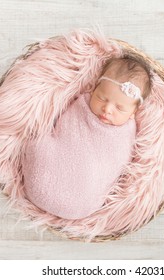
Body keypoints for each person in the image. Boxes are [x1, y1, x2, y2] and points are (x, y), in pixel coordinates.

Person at [22, 56, 152, 219]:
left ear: (133, 113)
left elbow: (115, 162)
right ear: (94, 90)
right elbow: (66, 128)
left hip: (80, 203)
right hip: (41, 184)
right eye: (102, 98)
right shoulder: (81, 105)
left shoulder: (125, 134)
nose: (107, 109)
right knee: (39, 142)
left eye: (119, 108)